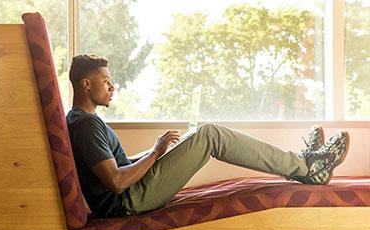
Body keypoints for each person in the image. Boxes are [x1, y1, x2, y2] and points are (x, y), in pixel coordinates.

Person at [66, 54, 350, 218]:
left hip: (131, 195)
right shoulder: (87, 126)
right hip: (128, 203)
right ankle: (305, 168)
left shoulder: (83, 121)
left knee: (201, 135)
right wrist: (154, 153)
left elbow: (120, 165)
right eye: (107, 82)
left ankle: (301, 165)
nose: (113, 87)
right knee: (210, 135)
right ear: (86, 84)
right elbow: (116, 182)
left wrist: (158, 150)